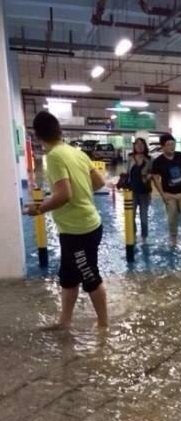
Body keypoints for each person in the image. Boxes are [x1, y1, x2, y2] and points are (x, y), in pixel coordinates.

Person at [25, 111, 108, 329]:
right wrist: (81, 191)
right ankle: (65, 321)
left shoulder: (53, 157)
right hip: (81, 226)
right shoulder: (76, 152)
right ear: (59, 131)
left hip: (79, 230)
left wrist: (39, 208)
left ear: (38, 136)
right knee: (69, 277)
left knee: (90, 277)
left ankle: (103, 325)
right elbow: (100, 182)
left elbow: (64, 195)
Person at [152, 134, 181, 248]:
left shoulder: (180, 156)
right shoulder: (158, 161)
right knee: (172, 217)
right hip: (169, 194)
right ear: (162, 147)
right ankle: (173, 237)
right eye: (168, 145)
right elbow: (156, 179)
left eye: (173, 144)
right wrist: (162, 195)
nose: (171, 147)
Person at [126, 137, 152, 243]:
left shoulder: (150, 159)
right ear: (134, 146)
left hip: (144, 192)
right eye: (137, 144)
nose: (139, 146)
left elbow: (153, 174)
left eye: (142, 144)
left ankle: (144, 238)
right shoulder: (130, 158)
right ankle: (134, 235)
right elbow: (127, 173)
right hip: (132, 192)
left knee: (144, 217)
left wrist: (148, 176)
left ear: (145, 146)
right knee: (131, 216)